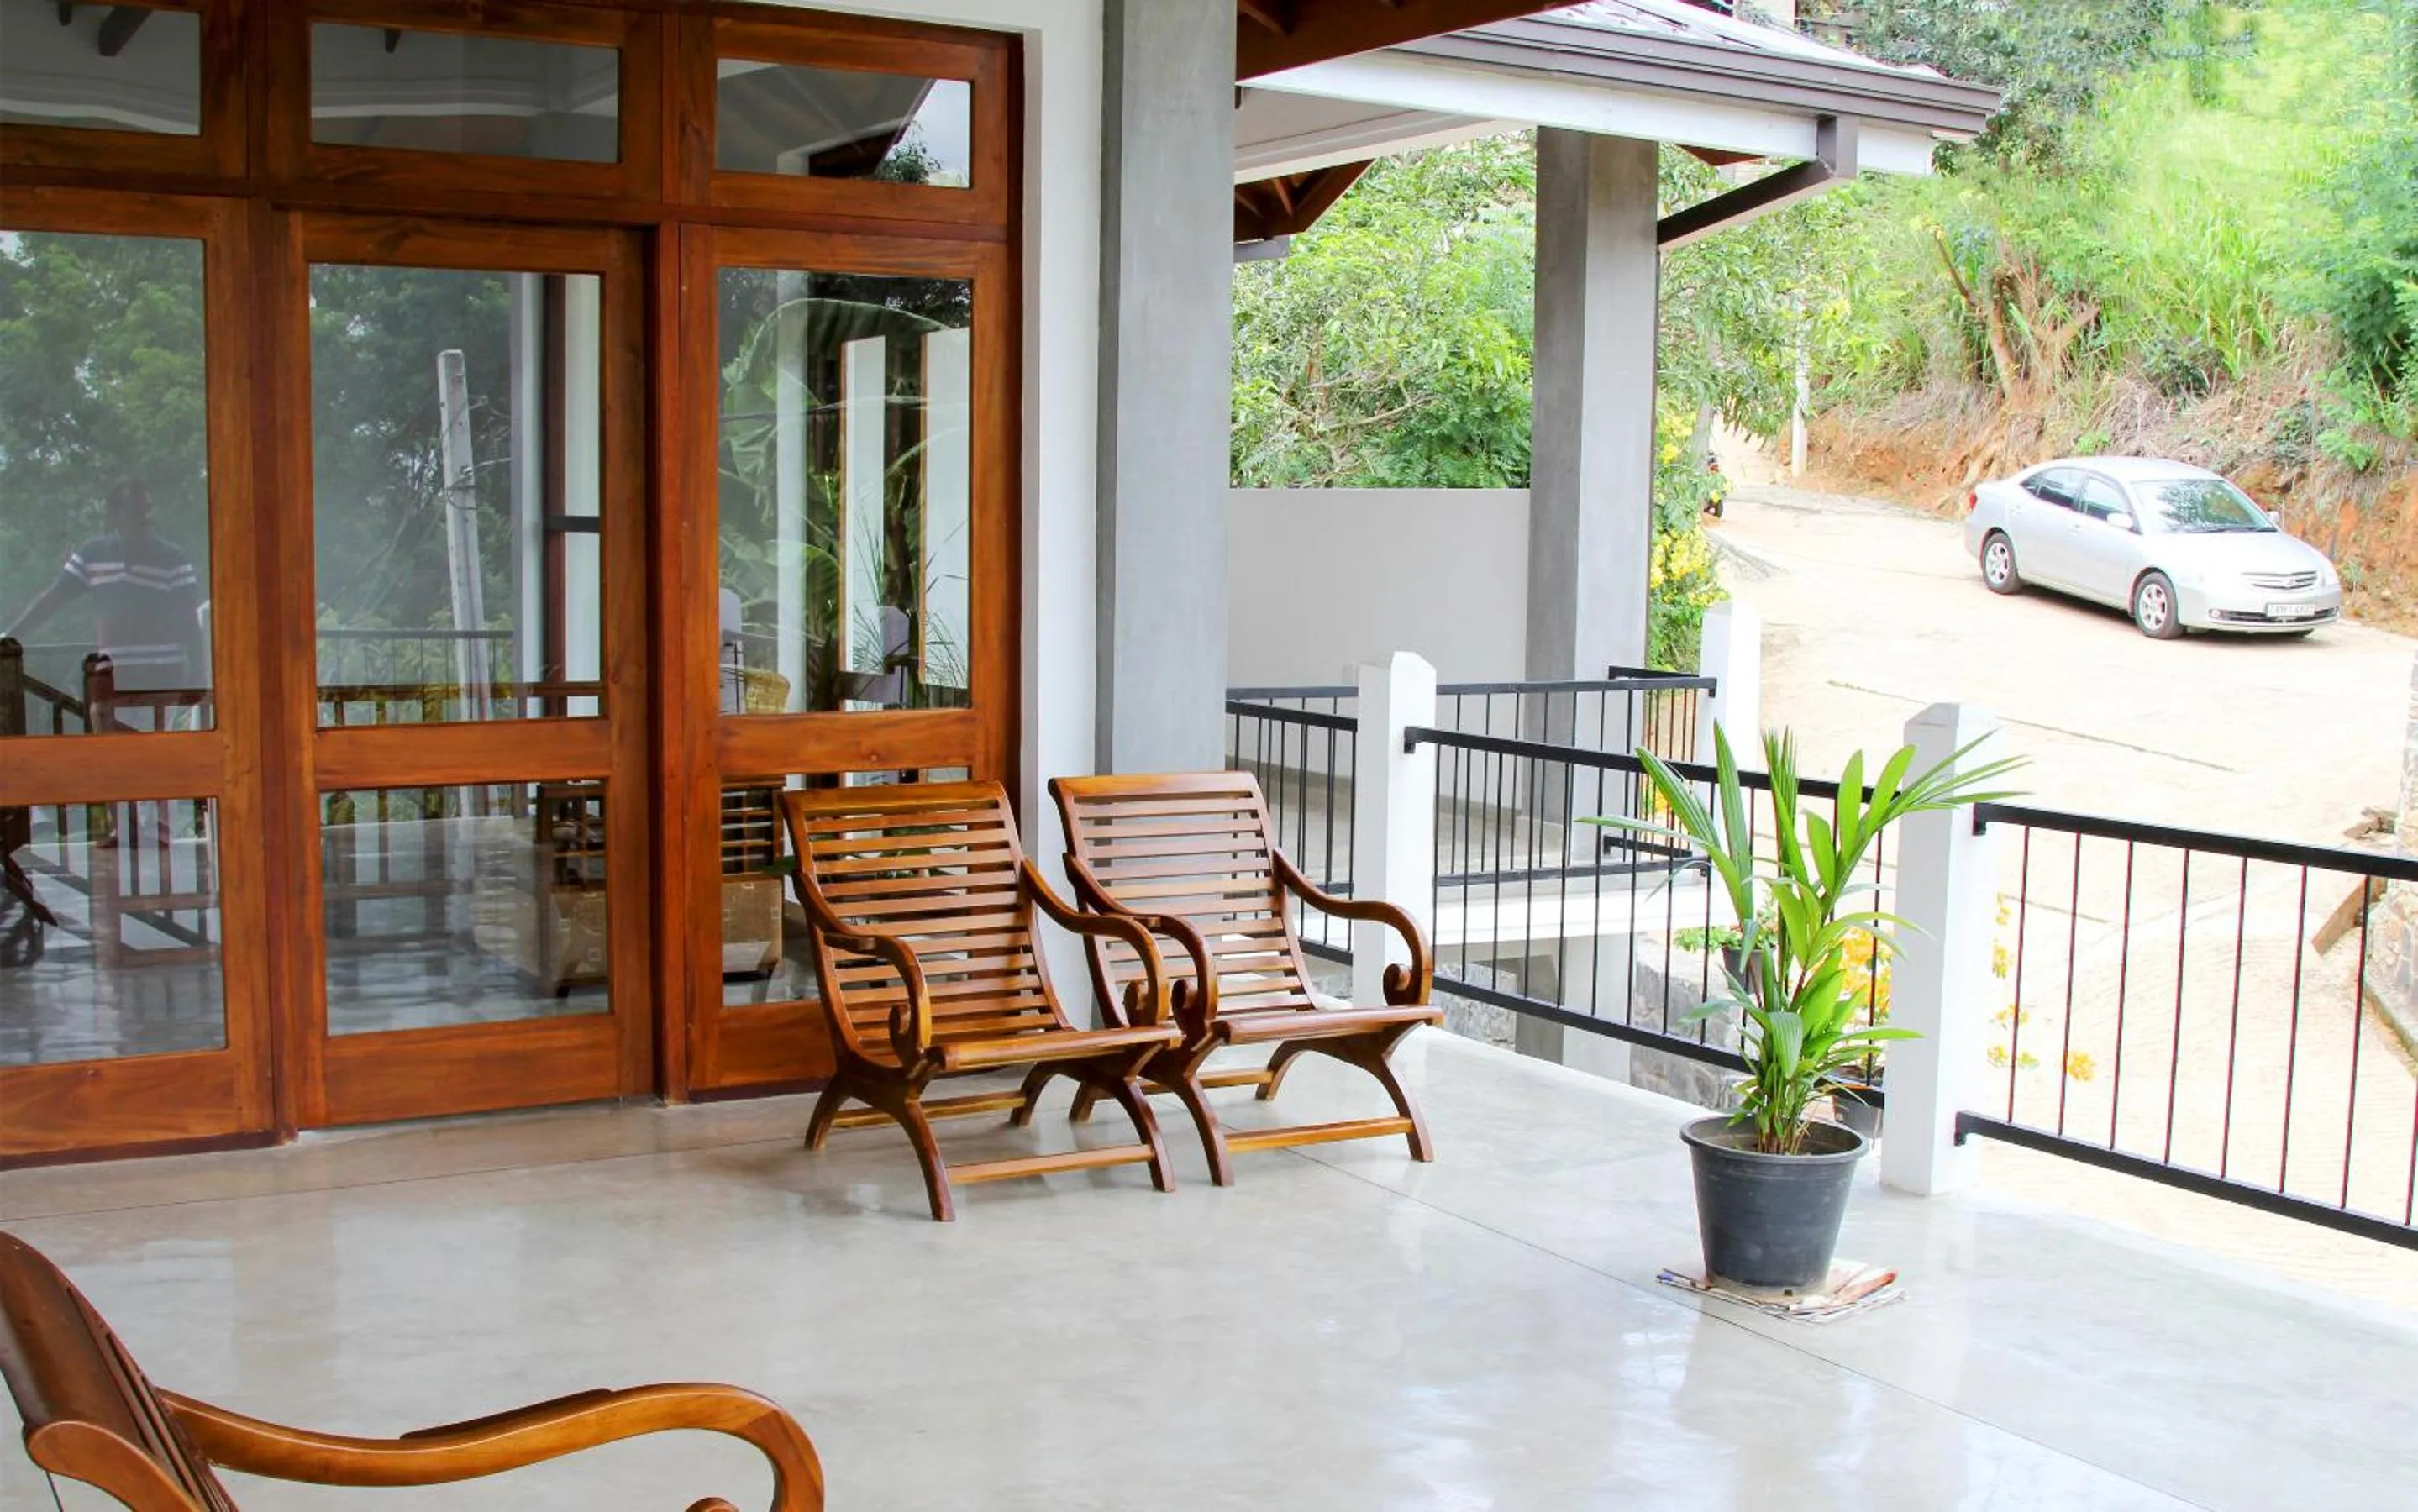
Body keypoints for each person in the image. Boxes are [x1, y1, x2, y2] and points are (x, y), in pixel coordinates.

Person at [2, 481, 208, 715]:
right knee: (109, 742)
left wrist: (198, 668)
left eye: (148, 509)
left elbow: (188, 617)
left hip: (162, 677)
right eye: (137, 511)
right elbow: (54, 599)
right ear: (116, 515)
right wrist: (9, 636)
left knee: (153, 748)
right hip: (112, 677)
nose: (146, 518)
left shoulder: (173, 558)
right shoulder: (92, 554)